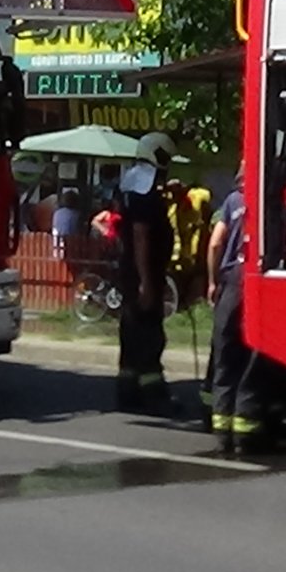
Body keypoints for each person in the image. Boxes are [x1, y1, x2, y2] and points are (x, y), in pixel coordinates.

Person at [204, 163, 286, 450]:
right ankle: (246, 430)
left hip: (230, 283)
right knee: (253, 357)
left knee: (225, 356)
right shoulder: (270, 203)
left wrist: (213, 282)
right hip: (256, 281)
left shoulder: (231, 201)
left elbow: (215, 244)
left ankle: (221, 431)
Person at [115, 131, 177, 414]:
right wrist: (146, 282)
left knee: (131, 334)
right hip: (142, 274)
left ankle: (128, 393)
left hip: (129, 272)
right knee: (150, 335)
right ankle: (155, 397)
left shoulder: (132, 184)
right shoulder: (145, 191)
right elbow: (141, 235)